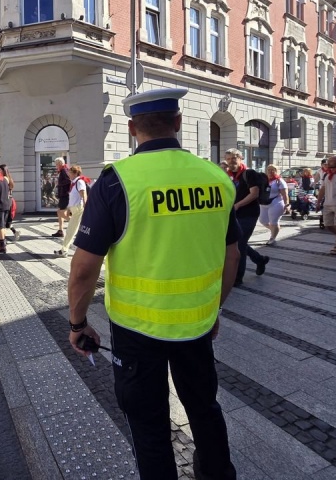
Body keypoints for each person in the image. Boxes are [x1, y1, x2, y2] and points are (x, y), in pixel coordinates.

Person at [67, 88, 239, 480]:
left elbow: (84, 269)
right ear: (178, 123)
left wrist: (78, 323)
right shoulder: (216, 177)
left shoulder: (117, 182)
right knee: (204, 408)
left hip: (136, 329)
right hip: (197, 323)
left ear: (132, 129)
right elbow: (232, 256)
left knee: (148, 423)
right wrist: (214, 308)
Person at [224, 149, 269, 285]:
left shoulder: (249, 173)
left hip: (248, 214)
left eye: (234, 158)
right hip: (234, 213)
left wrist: (238, 205)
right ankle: (259, 259)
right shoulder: (228, 174)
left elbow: (254, 193)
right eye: (228, 159)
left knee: (240, 244)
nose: (231, 161)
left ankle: (237, 278)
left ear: (240, 158)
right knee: (237, 242)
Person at [55, 164, 87, 257]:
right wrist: (69, 209)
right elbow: (73, 198)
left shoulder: (79, 182)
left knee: (70, 230)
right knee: (76, 230)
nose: (68, 174)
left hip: (78, 209)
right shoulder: (74, 183)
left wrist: (86, 206)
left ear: (75, 173)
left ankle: (64, 250)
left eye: (70, 172)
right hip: (75, 209)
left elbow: (83, 194)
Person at [259, 165, 288, 246]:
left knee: (274, 222)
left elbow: (285, 194)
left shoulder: (279, 181)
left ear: (277, 171)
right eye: (269, 170)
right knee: (263, 221)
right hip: (263, 203)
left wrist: (287, 204)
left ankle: (273, 238)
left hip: (276, 202)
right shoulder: (263, 180)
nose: (270, 171)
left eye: (273, 170)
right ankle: (275, 229)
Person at [0, 164, 20, 241]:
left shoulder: (4, 179)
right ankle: (14, 232)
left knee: (4, 222)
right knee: (7, 222)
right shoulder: (9, 178)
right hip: (10, 201)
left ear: (3, 171)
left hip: (7, 201)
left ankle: (2, 240)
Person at [51, 157, 69, 238]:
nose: (56, 166)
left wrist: (59, 184)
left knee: (60, 212)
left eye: (56, 164)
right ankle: (60, 230)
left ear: (60, 164)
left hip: (65, 195)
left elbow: (68, 180)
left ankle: (75, 223)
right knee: (60, 212)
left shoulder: (64, 170)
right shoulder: (63, 170)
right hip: (64, 194)